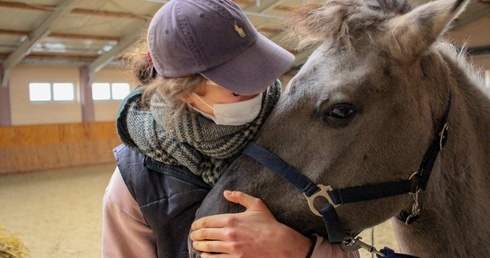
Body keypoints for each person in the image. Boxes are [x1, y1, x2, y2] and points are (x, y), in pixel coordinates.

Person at [102, 0, 360, 257]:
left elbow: (350, 249)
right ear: (184, 92)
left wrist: (300, 251)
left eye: (261, 72)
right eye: (238, 86)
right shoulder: (134, 183)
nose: (259, 89)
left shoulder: (303, 134)